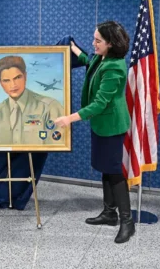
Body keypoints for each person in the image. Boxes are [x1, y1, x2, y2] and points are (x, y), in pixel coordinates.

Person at [54, 20, 134, 244]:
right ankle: (110, 214)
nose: (94, 43)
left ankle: (127, 222)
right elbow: (90, 62)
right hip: (100, 125)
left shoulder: (115, 67)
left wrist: (69, 118)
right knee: (105, 169)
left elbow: (99, 104)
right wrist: (74, 49)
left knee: (115, 172)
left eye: (97, 40)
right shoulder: (102, 58)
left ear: (110, 43)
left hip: (111, 126)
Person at [0, 55, 64, 145]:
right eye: (6, 80)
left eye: (17, 78)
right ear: (0, 83)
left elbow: (58, 142)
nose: (13, 85)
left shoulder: (50, 107)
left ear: (25, 76)